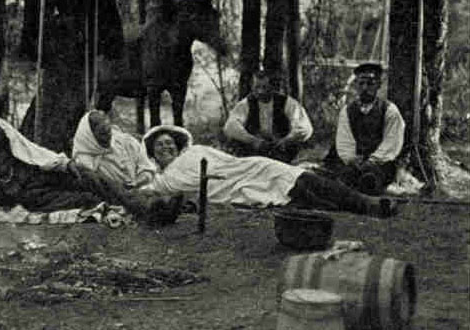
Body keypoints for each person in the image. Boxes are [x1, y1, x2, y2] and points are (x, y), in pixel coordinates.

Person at [0, 84, 182, 225]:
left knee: (84, 174)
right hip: (17, 197)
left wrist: (63, 163)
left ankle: (148, 208)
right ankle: (142, 210)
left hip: (33, 178)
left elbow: (30, 150)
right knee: (84, 198)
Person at [140, 124, 397, 217]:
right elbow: (143, 190)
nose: (166, 147)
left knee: (300, 179)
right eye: (160, 146)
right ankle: (362, 205)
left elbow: (226, 160)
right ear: (153, 154)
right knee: (306, 198)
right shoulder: (164, 180)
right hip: (235, 189)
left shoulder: (196, 152)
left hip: (246, 169)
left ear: (178, 145)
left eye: (169, 143)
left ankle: (368, 203)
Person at [323, 62, 405, 195]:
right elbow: (344, 139)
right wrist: (351, 159)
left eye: (370, 83)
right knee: (345, 174)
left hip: (380, 162)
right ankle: (351, 186)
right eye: (361, 83)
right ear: (356, 85)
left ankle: (369, 184)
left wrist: (373, 160)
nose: (365, 88)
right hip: (355, 161)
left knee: (376, 175)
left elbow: (392, 141)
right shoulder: (347, 111)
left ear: (379, 85)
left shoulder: (389, 110)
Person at [223, 69, 313, 163]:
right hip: (254, 154)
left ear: (272, 87)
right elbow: (230, 127)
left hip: (281, 153)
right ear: (252, 87)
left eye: (265, 87)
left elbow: (305, 128)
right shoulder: (246, 104)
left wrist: (286, 140)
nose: (261, 91)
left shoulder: (286, 102)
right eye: (257, 87)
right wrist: (253, 141)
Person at [71, 109, 156, 189]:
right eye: (102, 134)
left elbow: (148, 169)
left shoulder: (126, 142)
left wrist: (137, 182)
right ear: (90, 137)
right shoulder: (84, 160)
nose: (108, 137)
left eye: (109, 131)